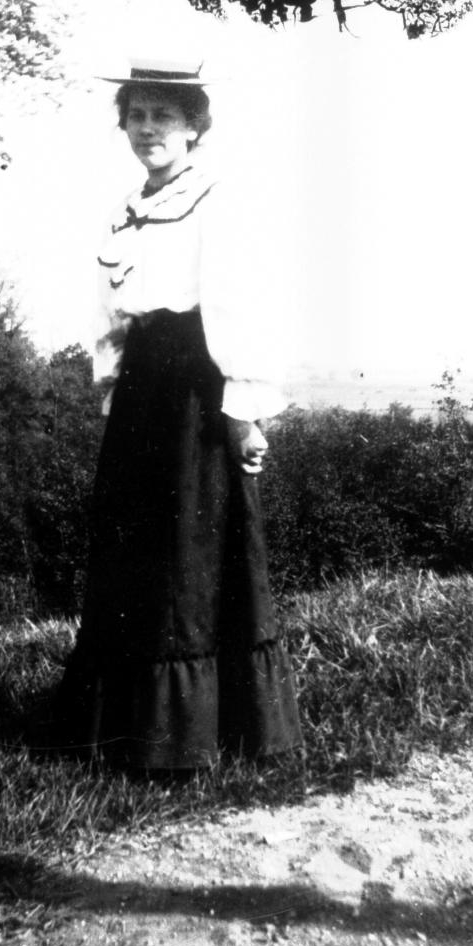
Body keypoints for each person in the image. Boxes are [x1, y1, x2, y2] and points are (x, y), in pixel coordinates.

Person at [53, 57, 302, 770]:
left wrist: (243, 411)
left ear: (194, 126)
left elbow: (236, 306)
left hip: (197, 389)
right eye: (136, 115)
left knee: (191, 557)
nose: (147, 128)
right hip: (142, 392)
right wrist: (115, 391)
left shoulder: (216, 200)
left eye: (163, 115)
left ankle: (203, 734)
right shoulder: (125, 209)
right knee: (133, 553)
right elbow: (112, 316)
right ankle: (127, 731)